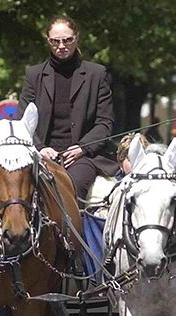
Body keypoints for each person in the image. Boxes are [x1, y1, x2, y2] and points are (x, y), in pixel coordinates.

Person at [19, 15, 117, 205]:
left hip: (84, 156)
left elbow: (105, 123)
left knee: (72, 185)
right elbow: (24, 119)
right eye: (55, 41)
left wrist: (82, 148)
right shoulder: (34, 74)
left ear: (76, 38)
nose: (61, 45)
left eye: (67, 40)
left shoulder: (96, 74)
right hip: (42, 154)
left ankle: (71, 234)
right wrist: (40, 148)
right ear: (48, 41)